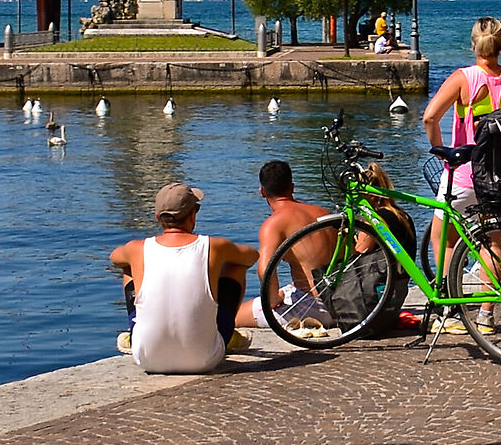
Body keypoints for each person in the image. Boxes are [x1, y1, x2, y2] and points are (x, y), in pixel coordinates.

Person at [421, 18, 501, 324]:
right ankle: (486, 315)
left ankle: (452, 311)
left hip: (465, 173)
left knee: (444, 238)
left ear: (474, 45)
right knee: (493, 240)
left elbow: (430, 117)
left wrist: (441, 150)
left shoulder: (463, 78)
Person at [109, 183, 259, 373]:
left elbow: (114, 257)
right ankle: (224, 333)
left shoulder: (136, 248)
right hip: (204, 359)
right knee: (236, 266)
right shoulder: (214, 246)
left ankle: (134, 334)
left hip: (147, 359)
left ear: (158, 218)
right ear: (192, 215)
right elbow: (251, 256)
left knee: (129, 268)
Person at [235, 160, 337, 336]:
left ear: (262, 192)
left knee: (233, 318)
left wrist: (274, 300)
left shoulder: (274, 224)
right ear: (292, 187)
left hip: (315, 305)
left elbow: (265, 269)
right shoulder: (324, 213)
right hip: (346, 300)